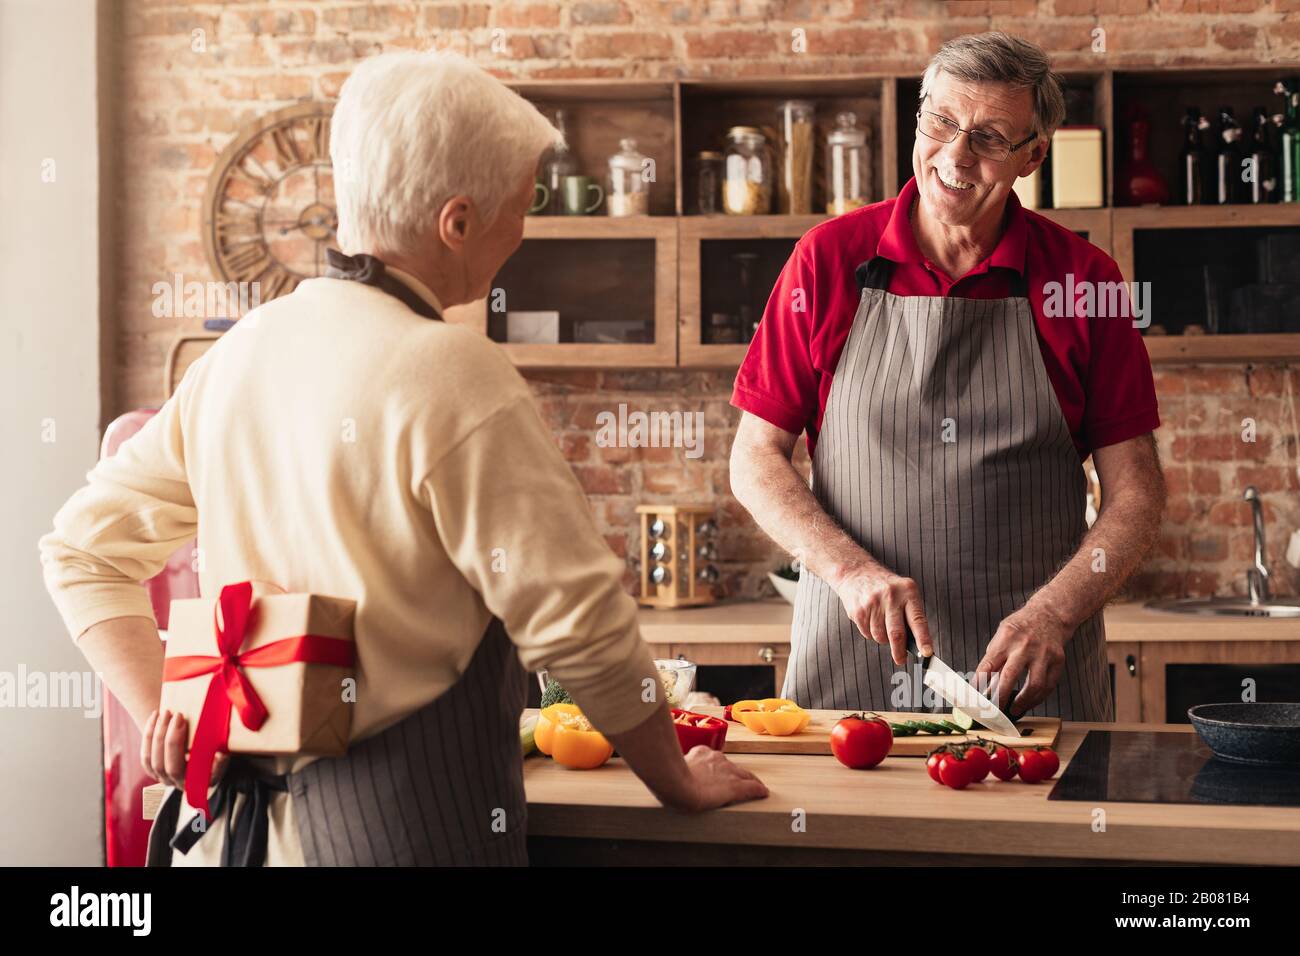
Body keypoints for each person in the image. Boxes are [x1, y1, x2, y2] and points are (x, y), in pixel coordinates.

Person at [39, 49, 766, 867]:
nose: (519, 235)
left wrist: (163, 712)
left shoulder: (244, 352)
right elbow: (581, 627)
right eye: (517, 208)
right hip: (396, 834)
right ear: (455, 222)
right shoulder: (454, 369)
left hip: (223, 845)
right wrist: (679, 781)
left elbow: (78, 551)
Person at [729, 32, 1165, 722]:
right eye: (941, 122)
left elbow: (1137, 491)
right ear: (920, 117)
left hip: (1031, 672)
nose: (956, 156)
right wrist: (848, 570)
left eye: (991, 138)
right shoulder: (827, 260)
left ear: (1032, 158)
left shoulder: (1084, 280)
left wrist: (1056, 612)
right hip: (854, 666)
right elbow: (754, 458)